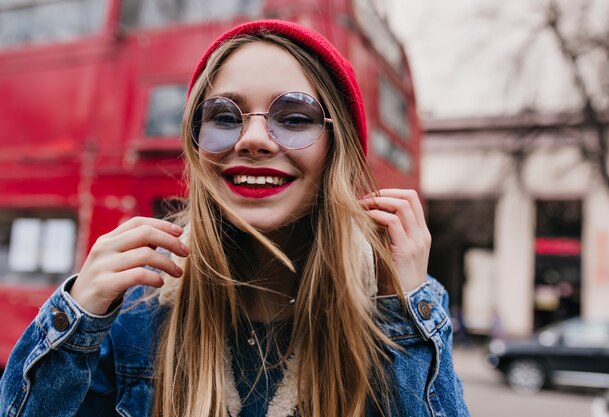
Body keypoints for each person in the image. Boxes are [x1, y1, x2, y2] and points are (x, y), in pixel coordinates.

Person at [0, 20, 469, 417]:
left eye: (295, 117)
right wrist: (78, 314)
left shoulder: (395, 310)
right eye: (224, 116)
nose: (254, 138)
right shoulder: (136, 311)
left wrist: (408, 308)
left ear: (337, 149)